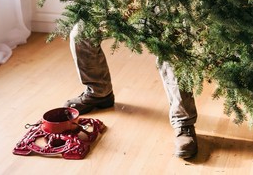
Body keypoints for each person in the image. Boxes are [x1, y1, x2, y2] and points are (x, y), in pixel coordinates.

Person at [64, 22, 198, 159]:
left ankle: (184, 123)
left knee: (172, 46)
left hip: (162, 14)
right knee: (81, 33)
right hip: (123, 10)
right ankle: (99, 92)